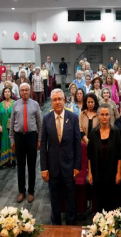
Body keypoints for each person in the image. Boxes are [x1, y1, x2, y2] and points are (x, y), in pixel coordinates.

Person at [40, 88, 81, 225]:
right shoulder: (46, 119)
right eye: (54, 100)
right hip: (53, 167)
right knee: (54, 200)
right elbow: (44, 145)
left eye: (60, 99)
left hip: (69, 166)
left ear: (64, 100)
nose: (57, 102)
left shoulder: (73, 117)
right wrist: (44, 168)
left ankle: (71, 226)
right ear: (51, 102)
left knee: (70, 199)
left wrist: (77, 165)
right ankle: (55, 227)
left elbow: (77, 143)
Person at [9, 83, 42, 203]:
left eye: (26, 90)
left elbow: (39, 123)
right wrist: (12, 139)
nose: (24, 92)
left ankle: (31, 191)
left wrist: (39, 140)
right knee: (21, 166)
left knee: (32, 166)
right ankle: (22, 191)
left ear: (30, 91)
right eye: (22, 90)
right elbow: (11, 123)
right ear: (20, 92)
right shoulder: (15, 105)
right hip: (19, 137)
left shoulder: (35, 104)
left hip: (32, 137)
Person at [87, 104, 121, 212]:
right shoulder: (93, 132)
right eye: (102, 114)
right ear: (98, 116)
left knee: (111, 202)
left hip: (112, 172)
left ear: (110, 116)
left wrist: (118, 173)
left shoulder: (116, 132)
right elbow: (90, 154)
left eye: (107, 114)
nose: (104, 117)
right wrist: (90, 173)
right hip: (97, 171)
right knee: (99, 202)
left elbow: (120, 154)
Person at [0, 87, 16, 168]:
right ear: (3, 94)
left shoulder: (14, 103)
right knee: (4, 144)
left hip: (12, 127)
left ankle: (13, 161)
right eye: (5, 92)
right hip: (3, 127)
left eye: (8, 92)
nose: (7, 93)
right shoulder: (1, 104)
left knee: (12, 143)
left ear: (11, 93)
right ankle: (5, 161)